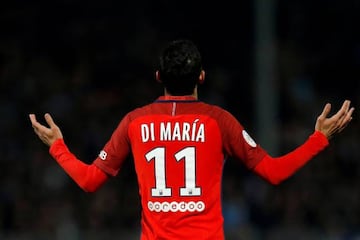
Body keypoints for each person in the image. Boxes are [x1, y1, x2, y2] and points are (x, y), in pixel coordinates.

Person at [29, 39, 355, 240]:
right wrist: (319, 139)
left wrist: (57, 146)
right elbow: (274, 172)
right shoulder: (218, 121)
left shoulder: (135, 121)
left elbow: (89, 181)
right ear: (201, 76)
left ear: (158, 78)